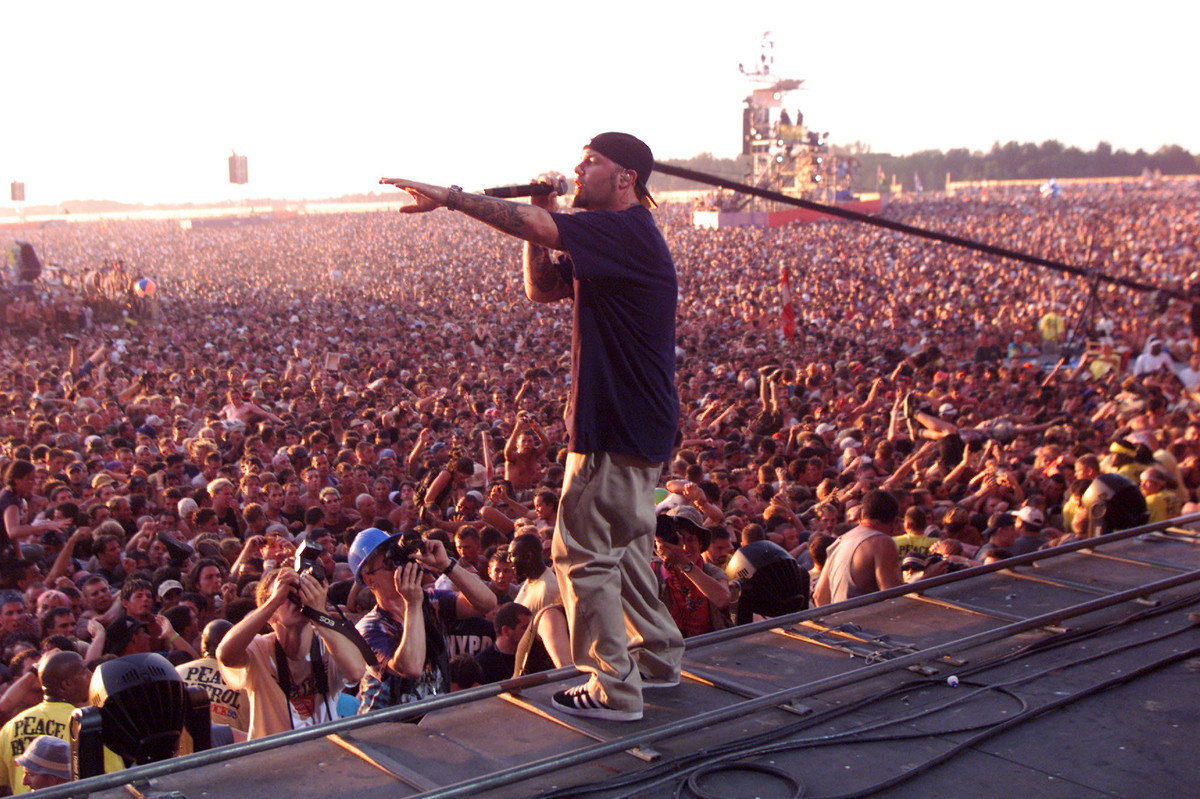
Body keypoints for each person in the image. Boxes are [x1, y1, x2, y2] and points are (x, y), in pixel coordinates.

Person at [383, 131, 684, 721]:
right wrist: (545, 210)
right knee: (620, 546)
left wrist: (452, 197)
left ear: (625, 179)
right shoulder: (620, 238)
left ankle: (612, 689)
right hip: (633, 421)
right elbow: (541, 287)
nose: (577, 168)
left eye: (591, 161)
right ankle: (656, 658)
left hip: (616, 424)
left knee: (580, 555)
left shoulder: (623, 230)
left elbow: (534, 231)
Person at [348, 528, 496, 713]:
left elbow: (487, 603)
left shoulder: (431, 601)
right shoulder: (368, 628)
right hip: (386, 730)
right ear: (369, 580)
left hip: (429, 722)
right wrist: (412, 603)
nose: (399, 567)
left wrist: (446, 564)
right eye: (389, 564)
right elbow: (410, 667)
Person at [216, 565, 366, 739]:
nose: (297, 598)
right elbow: (225, 654)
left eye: (299, 591)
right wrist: (274, 601)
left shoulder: (329, 643)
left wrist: (319, 612)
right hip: (275, 760)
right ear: (270, 615)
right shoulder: (259, 649)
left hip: (326, 757)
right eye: (288, 595)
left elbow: (355, 673)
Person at [0, 651, 123, 792]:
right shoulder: (90, 724)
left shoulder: (11, 727)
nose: (90, 675)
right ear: (67, 685)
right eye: (84, 671)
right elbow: (116, 781)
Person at [813, 490, 904, 606]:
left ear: (861, 514)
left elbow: (819, 595)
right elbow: (893, 596)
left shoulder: (838, 542)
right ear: (894, 521)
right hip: (867, 622)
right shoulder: (882, 542)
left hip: (839, 622)